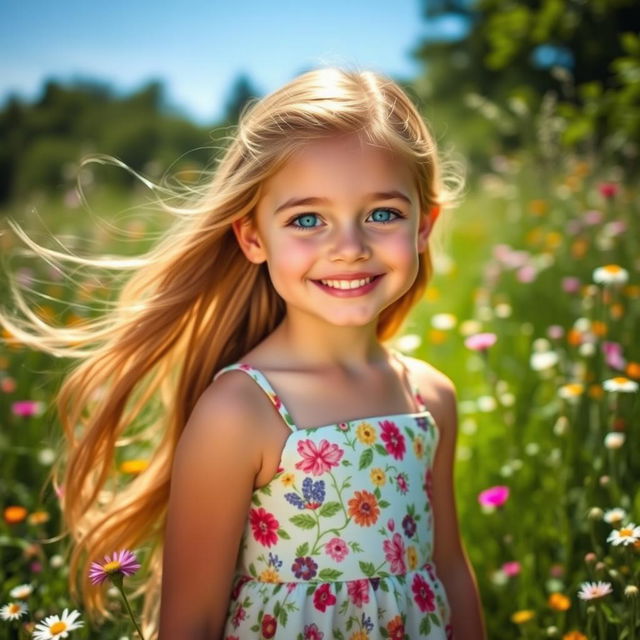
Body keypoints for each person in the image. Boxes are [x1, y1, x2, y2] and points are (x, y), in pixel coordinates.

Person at [0, 66, 485, 640]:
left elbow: (447, 569)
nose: (350, 248)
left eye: (383, 214)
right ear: (253, 237)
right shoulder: (242, 411)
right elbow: (193, 622)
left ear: (424, 226)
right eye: (308, 219)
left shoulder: (429, 397)